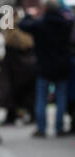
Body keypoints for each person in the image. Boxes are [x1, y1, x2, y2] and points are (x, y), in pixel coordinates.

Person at [19, 1, 74, 137]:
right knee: (61, 98)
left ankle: (41, 128)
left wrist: (29, 15)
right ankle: (59, 127)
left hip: (44, 66)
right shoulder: (65, 23)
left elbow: (23, 25)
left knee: (42, 98)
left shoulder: (40, 24)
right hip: (62, 65)